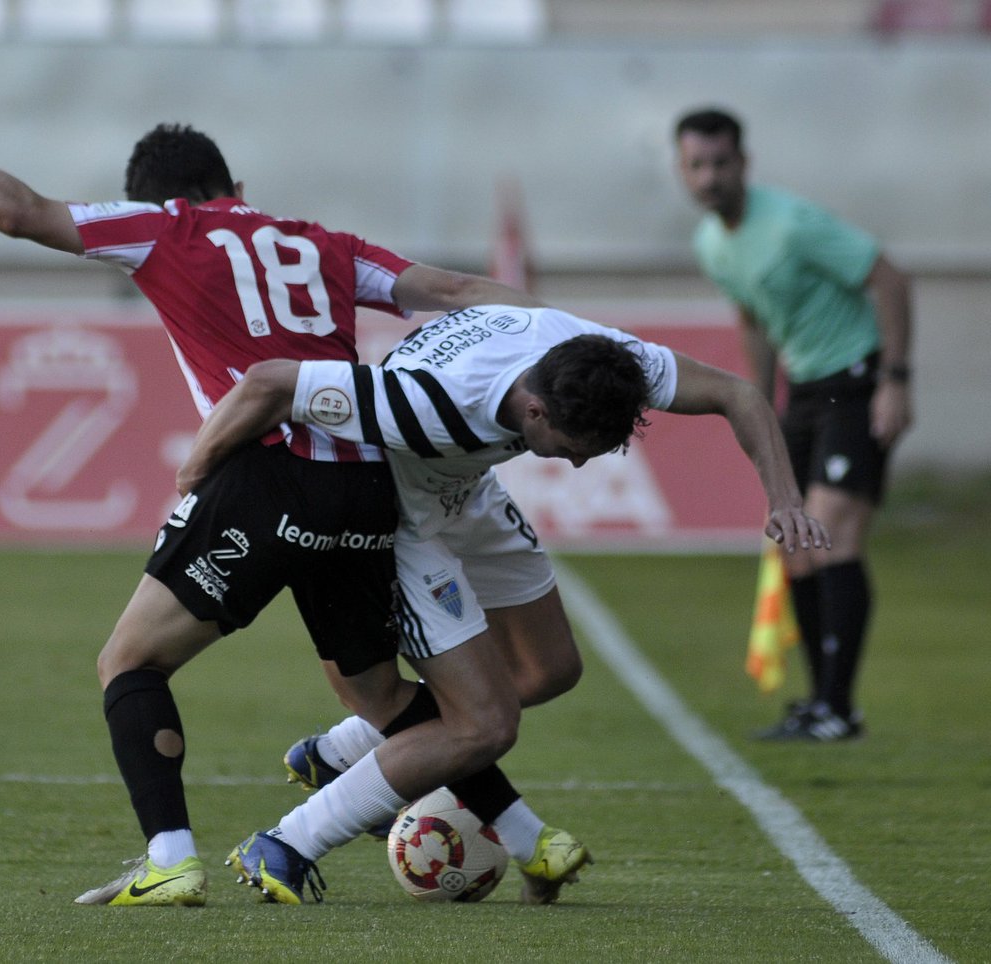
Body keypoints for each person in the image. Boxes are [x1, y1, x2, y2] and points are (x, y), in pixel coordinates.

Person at [0, 66, 561, 907]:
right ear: (237, 185)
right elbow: (456, 292)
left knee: (130, 661)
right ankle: (533, 840)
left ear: (159, 198)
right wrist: (577, 342)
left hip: (267, 477)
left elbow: (19, 211)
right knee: (379, 693)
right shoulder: (327, 246)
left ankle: (170, 858)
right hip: (367, 486)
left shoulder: (165, 228)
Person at [178, 304, 830, 902]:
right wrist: (193, 481)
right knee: (484, 726)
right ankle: (288, 842)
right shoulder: (427, 403)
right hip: (402, 520)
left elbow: (738, 393)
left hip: (468, 489)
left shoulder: (592, 355)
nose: (578, 466)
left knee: (551, 670)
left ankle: (347, 751)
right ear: (536, 411)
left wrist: (785, 500)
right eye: (573, 450)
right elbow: (270, 383)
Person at [674, 107, 913, 741]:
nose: (709, 177)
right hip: (804, 392)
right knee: (797, 546)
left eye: (721, 163)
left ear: (743, 163)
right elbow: (754, 318)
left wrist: (895, 380)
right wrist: (759, 402)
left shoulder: (791, 223)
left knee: (832, 533)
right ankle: (821, 702)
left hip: (855, 380)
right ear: (682, 171)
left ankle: (839, 708)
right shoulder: (711, 244)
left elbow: (889, 278)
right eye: (697, 165)